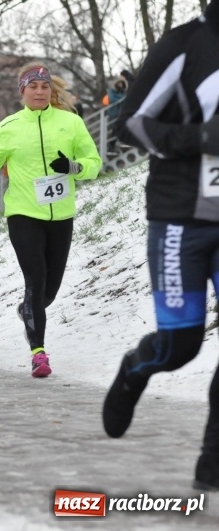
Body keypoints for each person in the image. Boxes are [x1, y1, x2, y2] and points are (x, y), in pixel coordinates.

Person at [102, 1, 219, 491]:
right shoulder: (187, 42)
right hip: (182, 219)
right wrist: (203, 136)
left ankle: (212, 464)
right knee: (181, 345)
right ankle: (135, 369)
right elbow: (131, 122)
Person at [0, 62, 101, 377]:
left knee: (49, 290)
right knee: (36, 280)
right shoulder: (10, 125)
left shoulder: (70, 123)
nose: (40, 92)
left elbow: (93, 162)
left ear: (51, 90)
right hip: (23, 214)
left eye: (45, 87)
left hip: (61, 215)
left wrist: (71, 167)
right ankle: (39, 354)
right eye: (33, 87)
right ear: (23, 92)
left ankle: (28, 311)